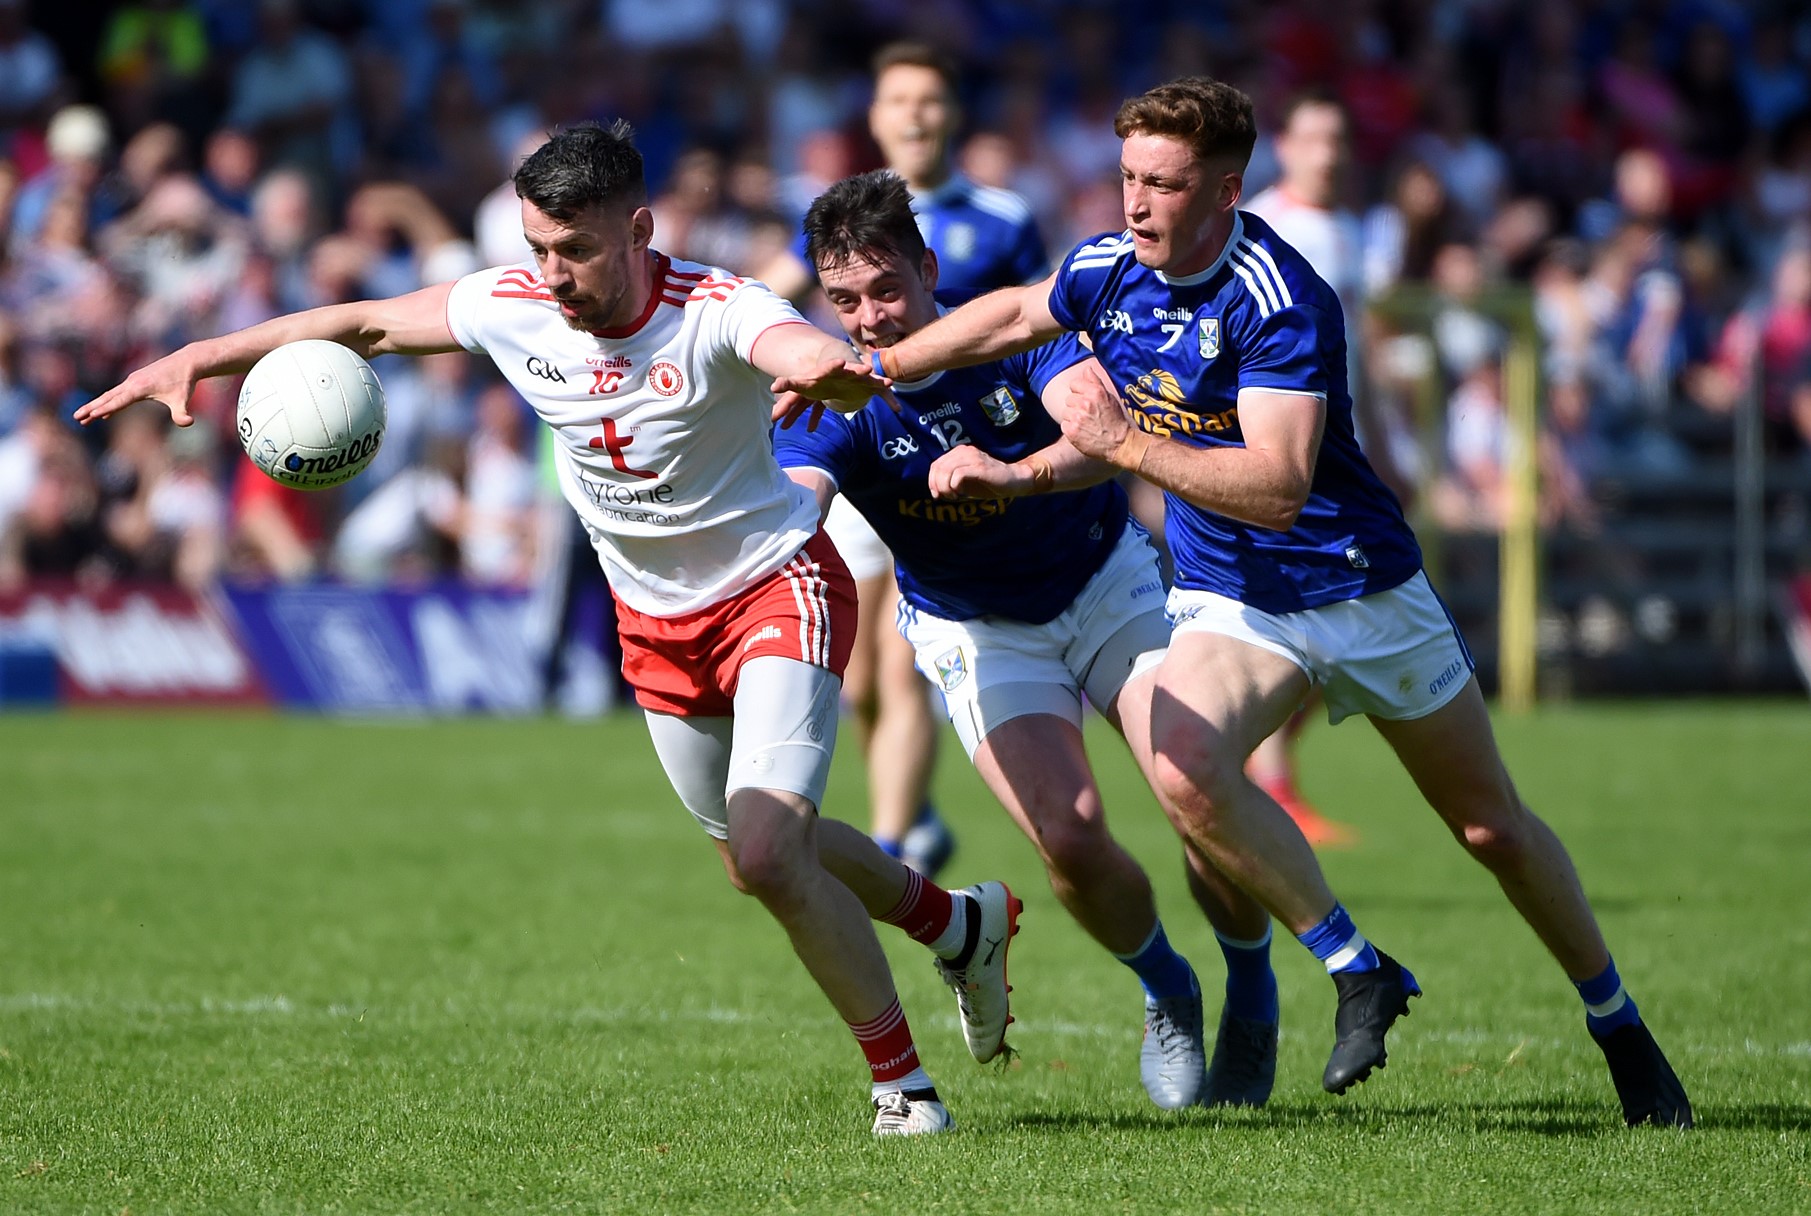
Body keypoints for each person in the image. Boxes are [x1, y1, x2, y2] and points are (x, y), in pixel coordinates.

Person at [75, 119, 1017, 1138]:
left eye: (574, 248)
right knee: (758, 850)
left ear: (638, 228)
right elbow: (365, 326)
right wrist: (201, 357)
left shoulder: (715, 307)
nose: (553, 273)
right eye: (537, 247)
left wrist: (826, 364)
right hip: (654, 622)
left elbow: (787, 342)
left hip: (774, 584)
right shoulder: (514, 305)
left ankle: (904, 1090)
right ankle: (955, 923)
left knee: (765, 847)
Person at [788, 76, 1693, 1127]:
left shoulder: (1278, 296)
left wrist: (1115, 444)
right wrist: (881, 364)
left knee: (1489, 829)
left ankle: (1614, 1018)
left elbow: (1276, 489)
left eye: (1161, 184)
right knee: (1180, 765)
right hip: (1232, 599)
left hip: (1356, 586)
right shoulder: (1106, 268)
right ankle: (1341, 966)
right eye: (1127, 177)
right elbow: (1010, 311)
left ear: (1223, 191)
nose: (1133, 204)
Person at [776, 169, 1281, 1109]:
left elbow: (1106, 437)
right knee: (1070, 841)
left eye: (888, 289)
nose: (872, 317)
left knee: (1192, 783)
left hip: (1105, 582)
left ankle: (1251, 981)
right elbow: (789, 512)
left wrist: (1007, 477)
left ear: (930, 272)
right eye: (844, 300)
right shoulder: (832, 400)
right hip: (977, 628)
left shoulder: (1010, 332)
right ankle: (1168, 989)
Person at [762, 41, 1051, 877]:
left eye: (929, 99)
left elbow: (1037, 321)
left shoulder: (1001, 217)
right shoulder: (839, 223)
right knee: (860, 684)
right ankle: (913, 817)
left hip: (946, 458)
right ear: (877, 117)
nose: (914, 114)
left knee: (902, 653)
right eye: (897, 100)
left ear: (951, 113)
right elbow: (762, 299)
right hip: (855, 450)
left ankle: (893, 843)